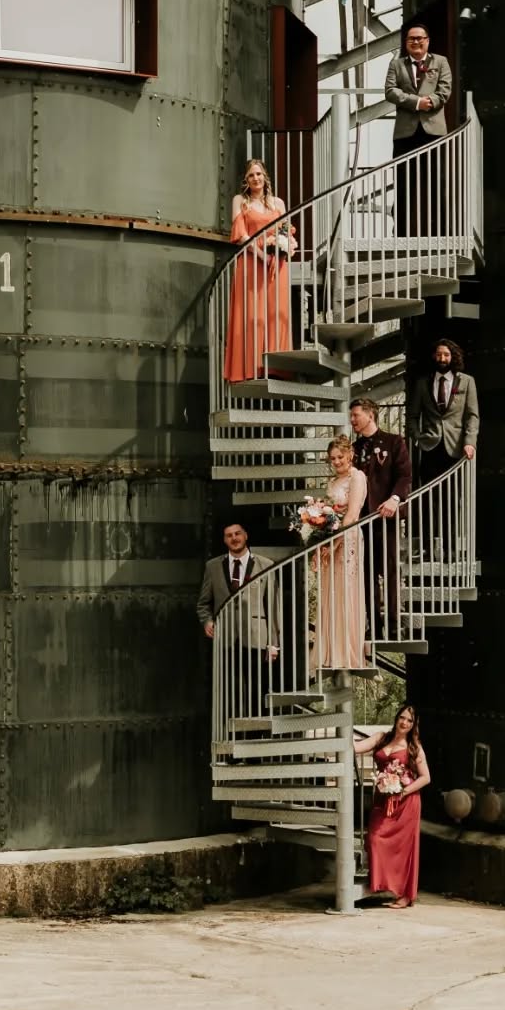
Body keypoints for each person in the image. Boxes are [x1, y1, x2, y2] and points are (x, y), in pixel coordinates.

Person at [222, 159, 296, 384]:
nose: (256, 178)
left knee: (275, 311)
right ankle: (249, 367)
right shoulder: (240, 201)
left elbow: (286, 232)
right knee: (252, 313)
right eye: (251, 175)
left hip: (276, 265)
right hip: (252, 262)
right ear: (246, 180)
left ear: (265, 177)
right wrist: (264, 257)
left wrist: (289, 248)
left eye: (259, 174)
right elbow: (242, 235)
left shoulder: (278, 203)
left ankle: (276, 366)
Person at [197, 521, 279, 713]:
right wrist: (207, 620)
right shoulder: (213, 566)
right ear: (224, 540)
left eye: (237, 533)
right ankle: (232, 735)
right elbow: (203, 603)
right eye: (229, 535)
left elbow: (273, 607)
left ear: (246, 536)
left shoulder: (265, 565)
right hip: (225, 639)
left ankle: (257, 736)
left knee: (257, 691)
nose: (234, 538)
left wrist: (273, 643)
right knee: (229, 692)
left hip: (256, 638)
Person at [355, 703, 430, 908]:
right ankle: (380, 882)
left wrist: (402, 791)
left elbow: (426, 778)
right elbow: (357, 747)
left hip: (406, 802)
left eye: (409, 720)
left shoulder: (414, 747)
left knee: (404, 850)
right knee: (374, 839)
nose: (404, 722)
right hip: (382, 799)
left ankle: (405, 896)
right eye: (402, 718)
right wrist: (340, 736)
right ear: (396, 718)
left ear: (413, 725)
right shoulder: (381, 738)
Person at [348, 396, 411, 641]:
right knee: (367, 575)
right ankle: (373, 624)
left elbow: (405, 475)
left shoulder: (394, 442)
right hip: (361, 520)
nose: (352, 420)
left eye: (356, 415)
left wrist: (395, 499)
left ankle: (393, 624)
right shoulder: (353, 449)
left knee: (390, 571)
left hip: (386, 518)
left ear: (370, 415)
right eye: (351, 416)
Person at [384, 23, 453, 235]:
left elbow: (445, 90)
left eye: (420, 38)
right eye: (411, 39)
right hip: (405, 134)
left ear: (427, 41)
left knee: (436, 183)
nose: (416, 42)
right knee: (404, 184)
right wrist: (416, 102)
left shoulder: (441, 62)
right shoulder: (397, 65)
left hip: (433, 132)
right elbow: (390, 91)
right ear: (406, 43)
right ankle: (402, 232)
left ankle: (441, 232)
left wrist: (429, 102)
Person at [313, 436, 367, 670]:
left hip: (349, 539)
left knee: (345, 589)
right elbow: (327, 517)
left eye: (340, 457)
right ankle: (329, 651)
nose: (336, 461)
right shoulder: (332, 482)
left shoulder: (358, 477)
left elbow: (352, 514)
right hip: (332, 542)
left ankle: (347, 652)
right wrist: (320, 544)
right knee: (330, 591)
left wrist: (334, 545)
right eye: (332, 458)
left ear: (350, 455)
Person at [406, 339, 480, 483]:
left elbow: (472, 415)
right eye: (439, 354)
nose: (442, 359)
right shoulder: (422, 383)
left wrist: (470, 442)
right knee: (429, 491)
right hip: (429, 446)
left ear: (453, 357)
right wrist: (417, 437)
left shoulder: (467, 381)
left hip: (456, 447)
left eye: (446, 355)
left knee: (454, 492)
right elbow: (412, 415)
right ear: (434, 356)